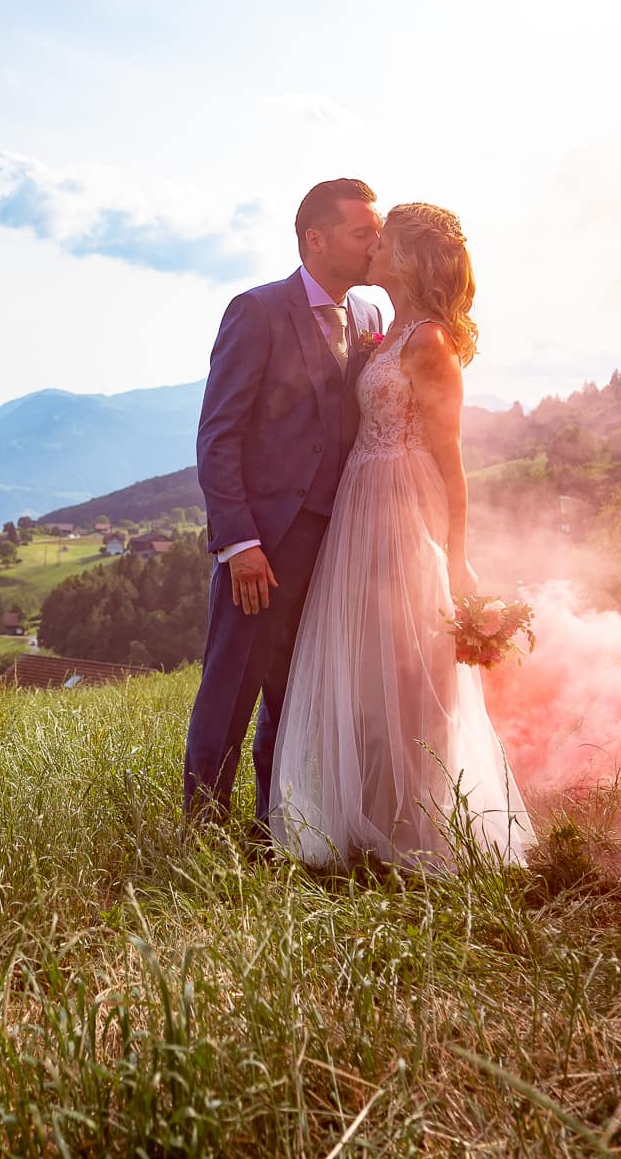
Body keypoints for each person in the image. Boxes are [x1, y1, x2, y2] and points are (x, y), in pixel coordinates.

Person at [268, 203, 531, 868]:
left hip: (405, 506)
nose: (372, 250)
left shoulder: (430, 344)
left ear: (408, 260)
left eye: (382, 243)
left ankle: (420, 828)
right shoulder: (388, 331)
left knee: (413, 668)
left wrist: (458, 557)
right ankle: (365, 819)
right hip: (360, 507)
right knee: (365, 663)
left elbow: (451, 460)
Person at [185, 179, 386, 834]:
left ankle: (283, 828)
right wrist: (239, 543)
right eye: (363, 233)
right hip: (263, 551)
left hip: (334, 551)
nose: (374, 245)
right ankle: (204, 837)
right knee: (231, 693)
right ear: (316, 239)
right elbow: (220, 435)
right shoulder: (257, 310)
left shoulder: (370, 321)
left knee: (298, 699)